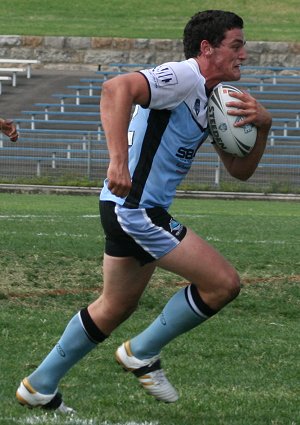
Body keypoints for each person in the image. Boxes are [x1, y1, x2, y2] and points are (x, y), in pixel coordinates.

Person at [16, 9, 272, 413]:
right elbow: (116, 88)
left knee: (114, 306)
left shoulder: (214, 98)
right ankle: (142, 352)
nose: (244, 55)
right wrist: (118, 162)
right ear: (207, 48)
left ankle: (39, 385)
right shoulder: (185, 76)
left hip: (128, 208)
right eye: (236, 46)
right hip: (136, 210)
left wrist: (264, 128)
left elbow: (240, 172)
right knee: (223, 284)